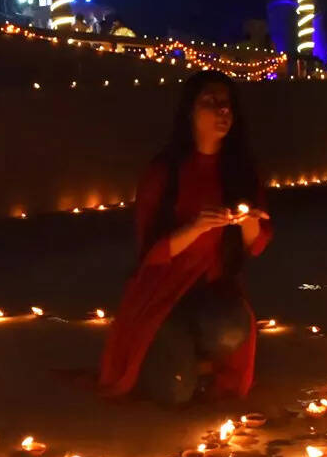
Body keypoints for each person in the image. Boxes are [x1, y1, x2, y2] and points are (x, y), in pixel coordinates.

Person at [99, 71, 272, 405]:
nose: (223, 111)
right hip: (163, 293)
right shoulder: (164, 171)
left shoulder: (240, 171)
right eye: (211, 102)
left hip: (212, 290)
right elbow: (151, 253)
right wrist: (195, 227)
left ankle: (188, 354)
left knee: (231, 327)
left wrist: (248, 221)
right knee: (174, 394)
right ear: (190, 111)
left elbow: (257, 244)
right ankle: (164, 349)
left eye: (227, 104)